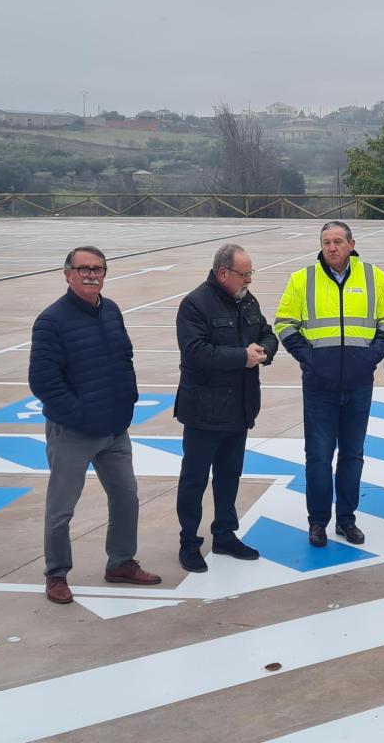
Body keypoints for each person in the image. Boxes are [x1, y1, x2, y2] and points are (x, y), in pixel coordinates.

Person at [30, 245, 161, 603]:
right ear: (67, 273)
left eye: (99, 269)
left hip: (115, 429)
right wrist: (80, 414)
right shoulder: (51, 320)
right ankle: (56, 574)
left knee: (126, 498)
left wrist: (128, 399)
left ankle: (120, 562)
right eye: (84, 268)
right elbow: (43, 381)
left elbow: (125, 357)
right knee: (62, 508)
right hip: (73, 432)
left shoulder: (112, 310)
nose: (92, 274)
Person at [274, 221, 384, 547]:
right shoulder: (302, 279)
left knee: (352, 455)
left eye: (338, 241)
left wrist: (372, 355)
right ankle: (317, 522)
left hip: (359, 383)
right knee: (317, 456)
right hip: (319, 386)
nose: (332, 247)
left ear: (351, 243)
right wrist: (308, 358)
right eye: (326, 242)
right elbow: (284, 323)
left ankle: (346, 520)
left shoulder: (374, 277)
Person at [172, 244, 277, 572]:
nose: (249, 280)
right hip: (204, 411)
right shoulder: (195, 304)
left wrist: (264, 351)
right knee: (195, 478)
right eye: (244, 274)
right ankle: (189, 541)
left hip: (240, 408)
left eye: (250, 274)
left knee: (229, 475)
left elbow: (267, 333)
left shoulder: (247, 301)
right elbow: (195, 352)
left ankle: (224, 533)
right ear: (223, 273)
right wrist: (242, 356)